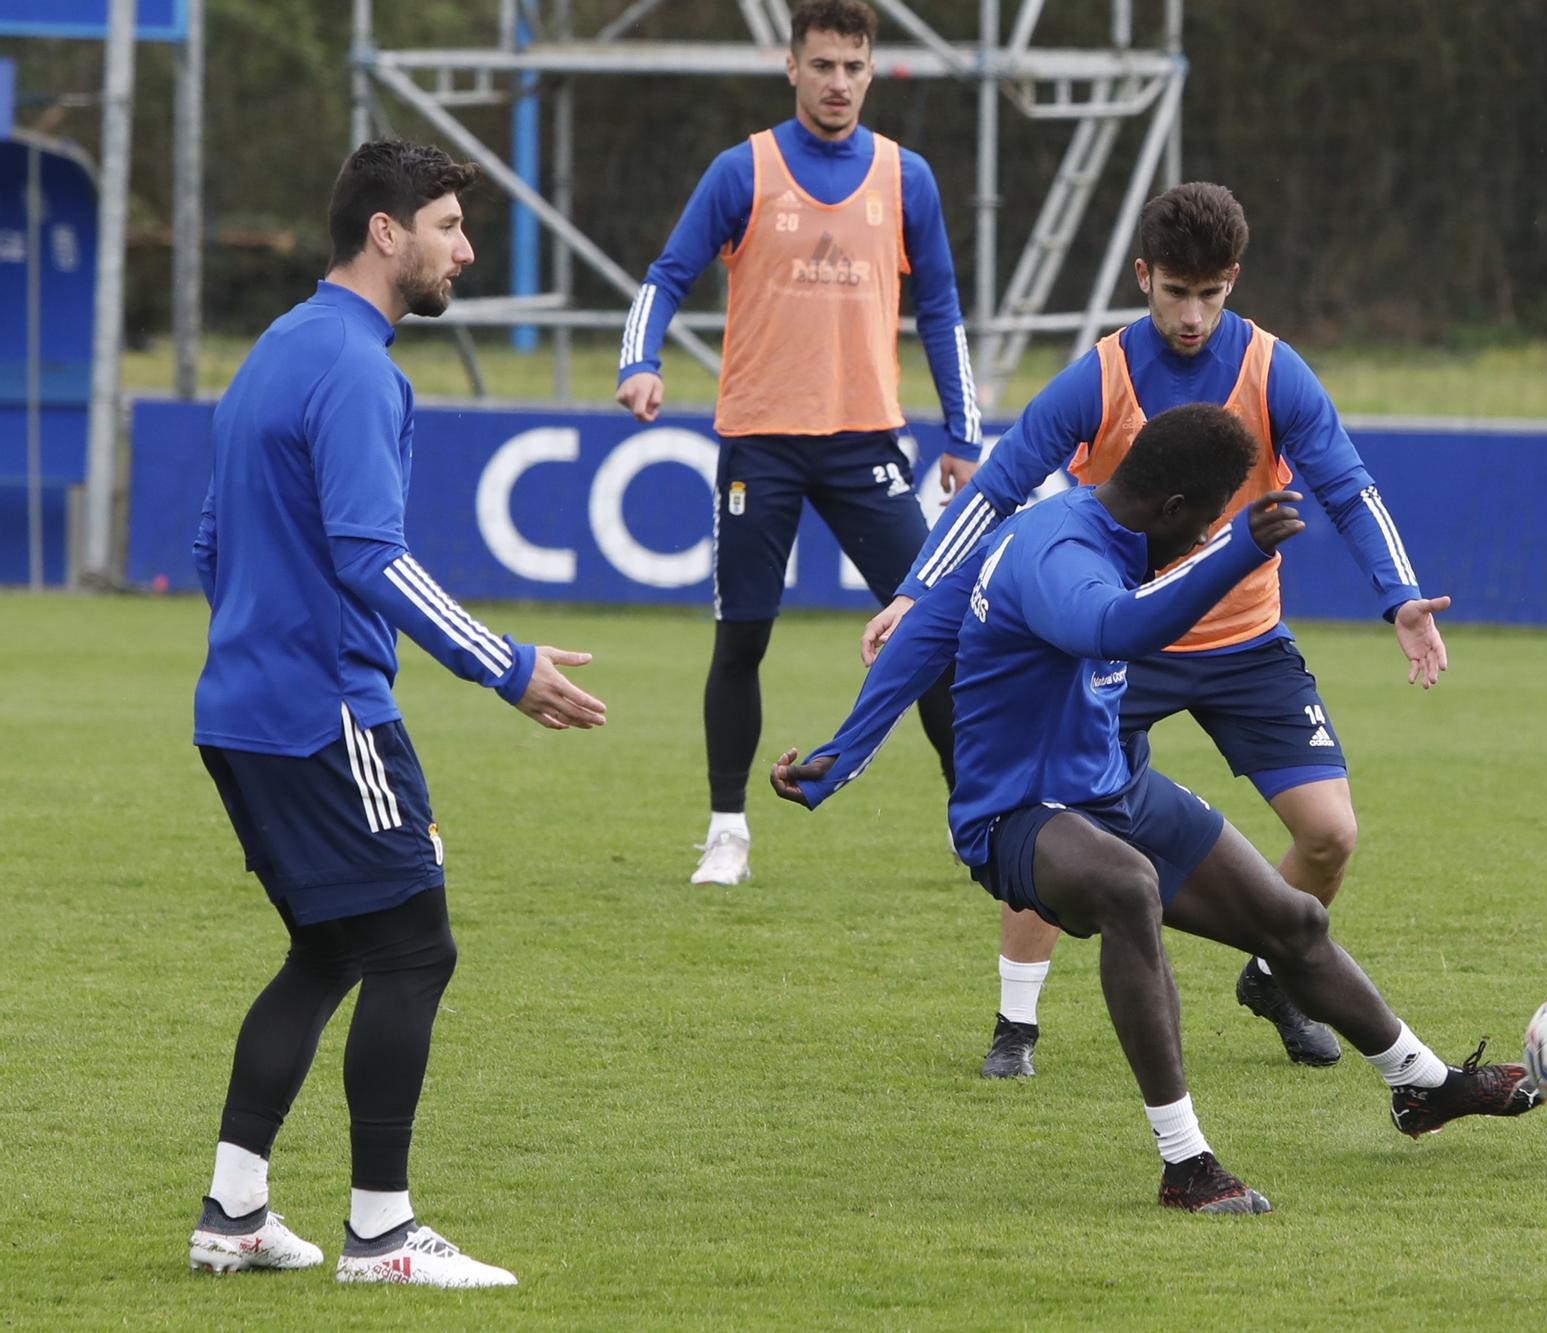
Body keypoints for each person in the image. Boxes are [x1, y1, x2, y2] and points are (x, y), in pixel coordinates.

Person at [771, 404, 1538, 1213]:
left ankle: (1424, 1087)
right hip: (1015, 811)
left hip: (1114, 786)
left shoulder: (1080, 523)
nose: (1205, 537)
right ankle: (1185, 1163)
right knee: (1127, 886)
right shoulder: (1059, 554)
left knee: (1294, 923)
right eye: (1205, 524)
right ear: (1173, 510)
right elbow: (1112, 628)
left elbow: (931, 623)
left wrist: (838, 753)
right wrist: (1239, 550)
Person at [862, 182, 1449, 1079]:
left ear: (1233, 282)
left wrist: (1399, 595)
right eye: (1176, 291)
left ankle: (1277, 975)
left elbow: (1348, 484)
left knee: (1331, 833)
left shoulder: (1272, 369)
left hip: (1246, 644)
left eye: (1211, 295)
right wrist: (917, 587)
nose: (1192, 315)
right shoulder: (1100, 375)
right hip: (1114, 648)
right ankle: (1015, 1024)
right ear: (1144, 276)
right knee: (1054, 815)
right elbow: (999, 485)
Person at [186, 140, 607, 1288]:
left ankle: (234, 1212)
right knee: (416, 947)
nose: (464, 250)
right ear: (387, 233)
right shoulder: (362, 368)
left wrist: (261, 644)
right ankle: (382, 1234)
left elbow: (211, 542)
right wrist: (504, 663)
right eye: (449, 227)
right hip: (326, 716)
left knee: (328, 948)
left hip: (239, 707)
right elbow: (374, 554)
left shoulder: (277, 346)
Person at [615, 0, 980, 887]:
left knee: (932, 627)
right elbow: (666, 276)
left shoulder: (907, 178)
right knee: (741, 640)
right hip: (762, 443)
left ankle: (977, 817)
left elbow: (941, 308)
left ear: (870, 71)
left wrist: (963, 430)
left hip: (867, 443)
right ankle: (728, 831)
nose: (839, 84)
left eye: (854, 67)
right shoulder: (743, 169)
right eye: (823, 65)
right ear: (791, 67)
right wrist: (640, 360)